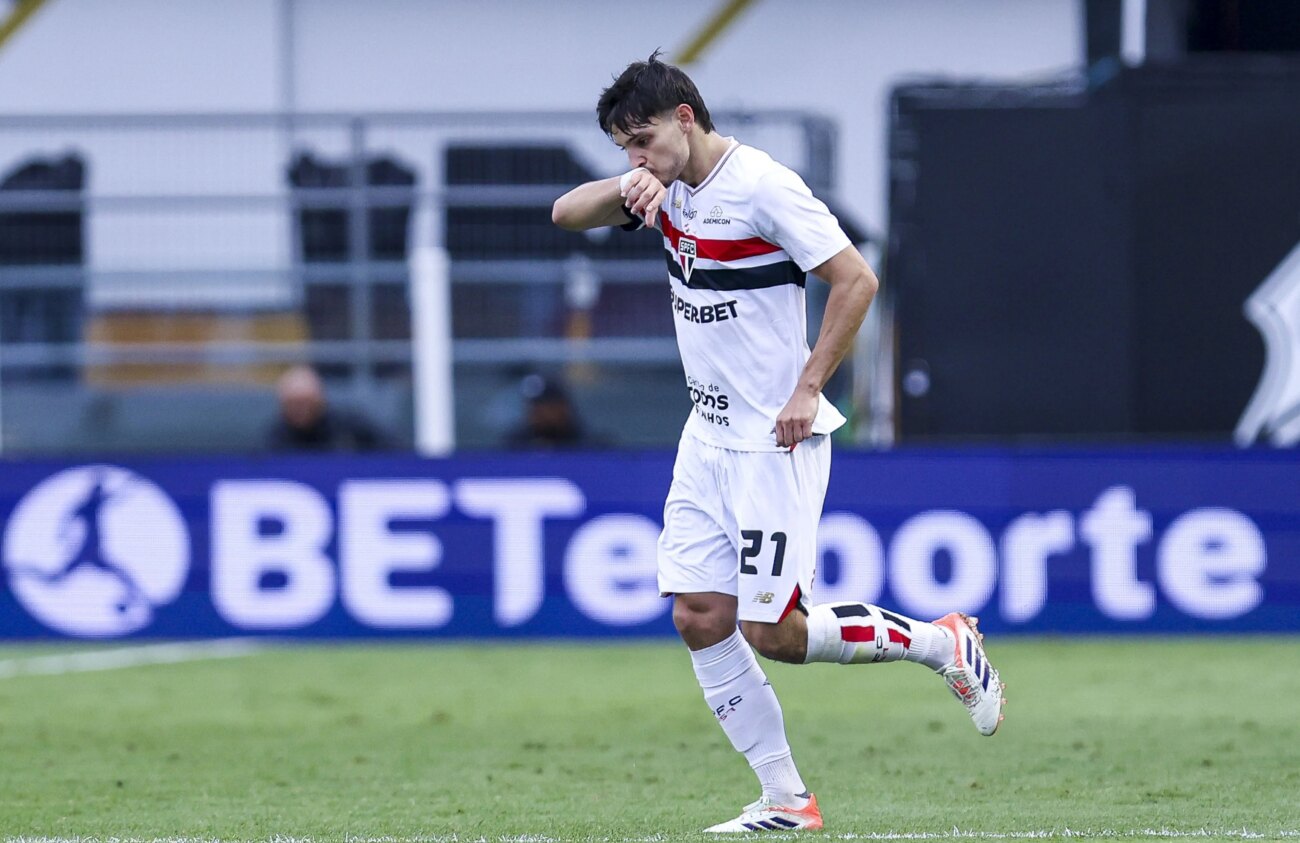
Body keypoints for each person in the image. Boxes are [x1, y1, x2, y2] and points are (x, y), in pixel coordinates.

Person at [552, 51, 1004, 833]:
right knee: (697, 613)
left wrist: (807, 387)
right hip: (705, 435)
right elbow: (565, 213)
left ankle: (943, 642)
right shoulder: (661, 188)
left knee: (776, 631)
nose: (636, 158)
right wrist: (624, 185)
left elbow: (855, 278)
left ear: (685, 119)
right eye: (623, 146)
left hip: (772, 438)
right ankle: (787, 799)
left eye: (643, 141)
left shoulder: (762, 186)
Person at [265, 364, 391, 452]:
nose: (300, 409)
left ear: (320, 401)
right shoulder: (274, 440)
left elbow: (393, 449)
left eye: (305, 402)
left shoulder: (348, 429)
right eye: (293, 403)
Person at [505, 373, 594, 449]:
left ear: (562, 406)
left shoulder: (586, 445)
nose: (536, 412)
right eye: (533, 405)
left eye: (543, 405)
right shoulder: (516, 444)